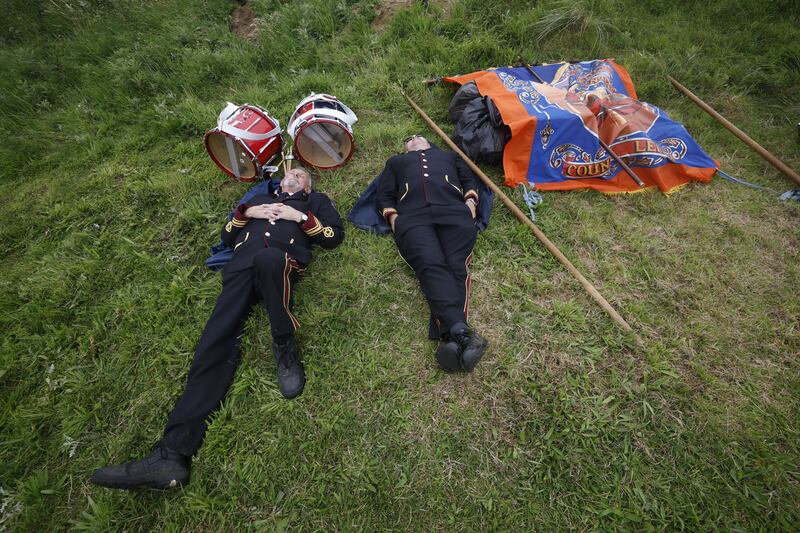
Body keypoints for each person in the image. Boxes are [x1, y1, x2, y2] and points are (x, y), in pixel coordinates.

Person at [90, 167, 344, 489]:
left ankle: (283, 344)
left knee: (270, 261)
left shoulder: (315, 202)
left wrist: (299, 217)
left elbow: (334, 238)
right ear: (280, 181)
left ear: (308, 186)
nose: (294, 174)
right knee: (214, 340)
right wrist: (248, 211)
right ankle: (172, 453)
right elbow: (227, 236)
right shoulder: (258, 199)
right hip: (239, 269)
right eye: (289, 172)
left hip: (280, 263)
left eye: (301, 174)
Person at [377, 134, 488, 373]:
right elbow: (384, 194)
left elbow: (469, 180)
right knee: (429, 263)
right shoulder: (396, 162)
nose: (414, 138)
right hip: (412, 217)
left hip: (454, 212)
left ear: (430, 143)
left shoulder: (449, 155)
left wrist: (470, 204)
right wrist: (394, 219)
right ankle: (463, 334)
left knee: (455, 264)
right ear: (405, 149)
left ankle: (451, 337)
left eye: (419, 136)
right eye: (409, 138)